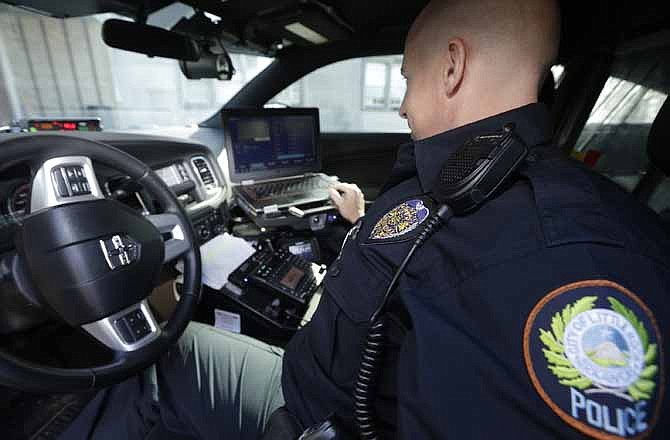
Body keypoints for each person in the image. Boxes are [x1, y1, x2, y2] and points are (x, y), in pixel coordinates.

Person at [60, 0, 670, 438]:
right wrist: (359, 227)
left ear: (452, 66)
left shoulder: (572, 263)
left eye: (407, 78)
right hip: (320, 376)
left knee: (159, 358)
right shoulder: (467, 180)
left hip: (309, 416)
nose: (403, 104)